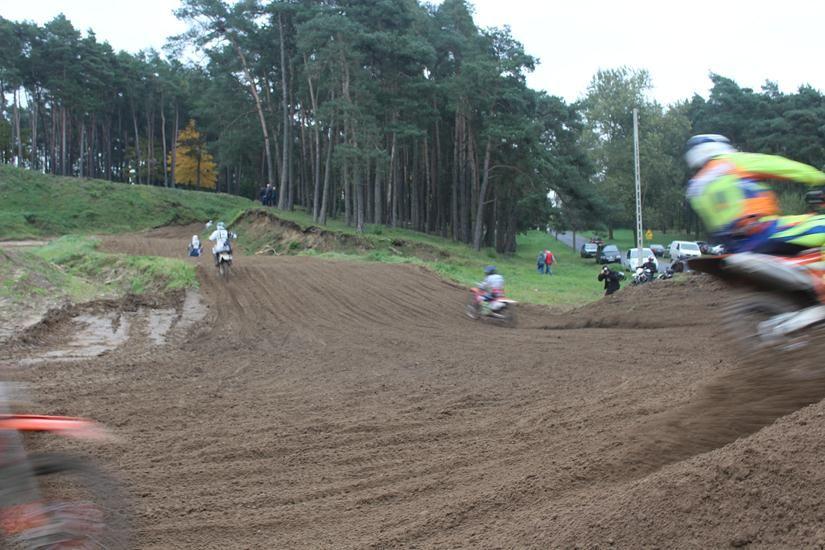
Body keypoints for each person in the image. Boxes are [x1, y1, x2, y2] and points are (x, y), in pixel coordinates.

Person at [684, 134, 825, 255]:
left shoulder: (695, 188)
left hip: (733, 247)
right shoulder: (733, 162)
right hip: (765, 232)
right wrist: (818, 177)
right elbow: (784, 167)